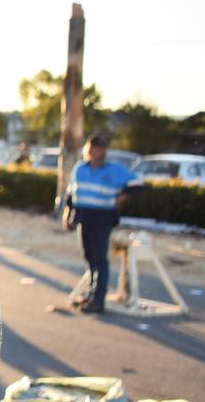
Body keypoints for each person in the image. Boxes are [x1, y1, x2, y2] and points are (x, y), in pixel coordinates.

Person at [61, 133, 143, 314]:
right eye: (94, 147)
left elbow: (138, 184)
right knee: (89, 257)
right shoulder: (80, 169)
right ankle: (91, 294)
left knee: (99, 260)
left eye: (101, 148)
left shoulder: (114, 170)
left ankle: (99, 299)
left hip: (103, 220)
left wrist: (124, 196)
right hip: (84, 219)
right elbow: (70, 194)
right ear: (88, 149)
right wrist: (67, 215)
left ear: (105, 151)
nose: (97, 151)